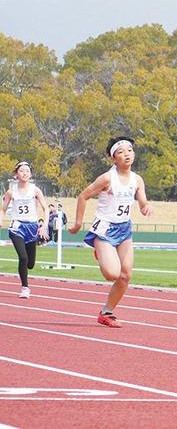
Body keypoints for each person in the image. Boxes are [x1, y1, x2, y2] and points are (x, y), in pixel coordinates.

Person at [68, 136, 152, 328]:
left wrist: (145, 207)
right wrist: (78, 223)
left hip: (124, 229)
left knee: (125, 275)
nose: (127, 155)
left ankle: (106, 312)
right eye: (121, 152)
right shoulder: (107, 178)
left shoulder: (137, 180)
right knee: (112, 274)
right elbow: (83, 196)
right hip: (105, 229)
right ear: (113, 158)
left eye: (129, 150)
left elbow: (142, 200)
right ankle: (100, 251)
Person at [0, 161, 50, 298]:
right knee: (23, 257)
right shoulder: (11, 192)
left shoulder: (35, 190)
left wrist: (44, 225)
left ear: (31, 174)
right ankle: (25, 288)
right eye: (22, 171)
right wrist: (1, 220)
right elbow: (3, 209)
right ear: (16, 174)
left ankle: (25, 273)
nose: (25, 173)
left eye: (27, 171)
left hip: (32, 227)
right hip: (17, 227)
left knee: (30, 264)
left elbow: (46, 208)